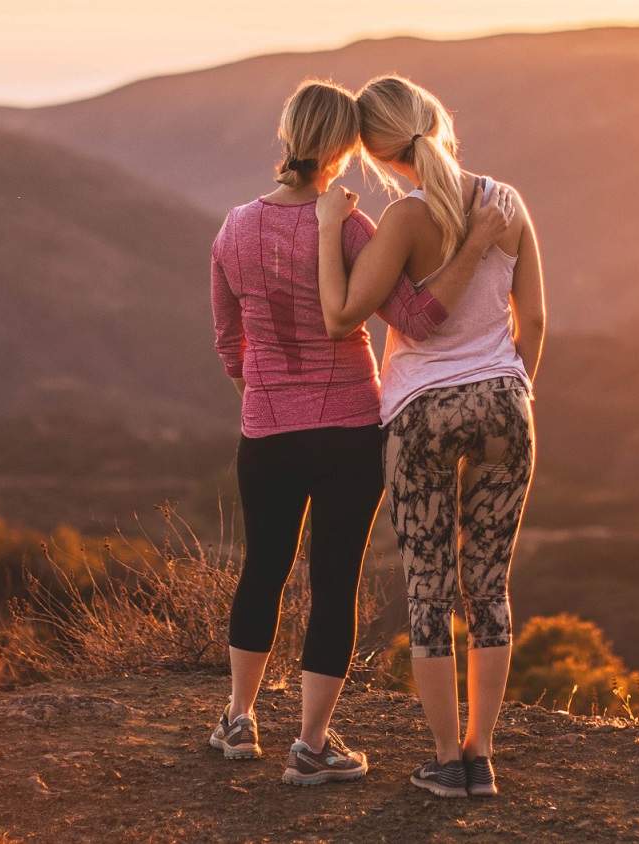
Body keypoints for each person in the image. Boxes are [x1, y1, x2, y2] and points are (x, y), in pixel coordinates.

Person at [207, 78, 512, 787]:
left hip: (268, 429)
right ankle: (311, 745)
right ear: (345, 149)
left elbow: (228, 339)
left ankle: (239, 719)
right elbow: (417, 319)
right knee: (333, 581)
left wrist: (261, 392)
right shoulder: (351, 229)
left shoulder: (234, 229)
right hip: (349, 431)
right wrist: (474, 251)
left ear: (286, 138)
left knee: (263, 568)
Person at [315, 74, 545, 798]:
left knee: (429, 588)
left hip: (422, 415)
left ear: (379, 156)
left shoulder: (406, 222)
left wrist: (329, 231)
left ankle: (448, 759)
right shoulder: (506, 203)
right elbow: (533, 321)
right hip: (507, 403)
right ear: (437, 119)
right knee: (489, 585)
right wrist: (515, 389)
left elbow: (353, 313)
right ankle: (483, 754)